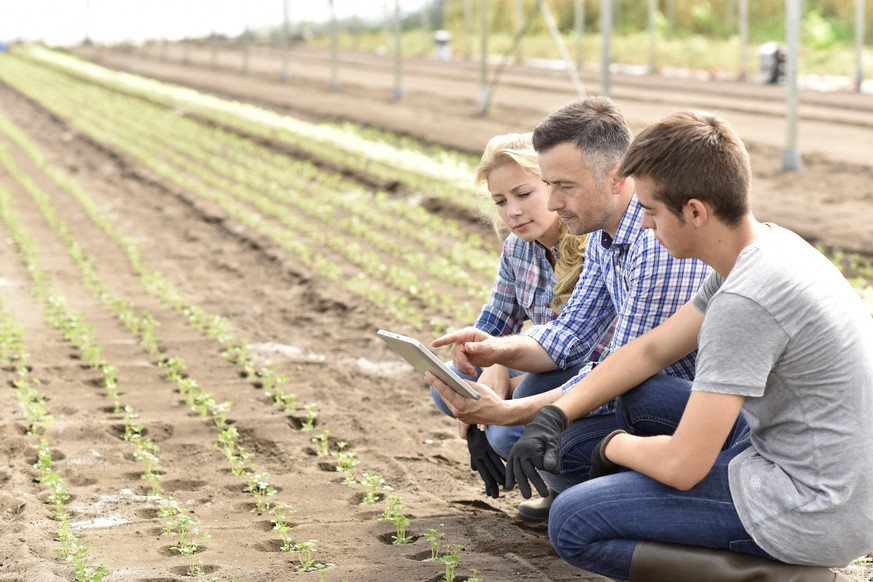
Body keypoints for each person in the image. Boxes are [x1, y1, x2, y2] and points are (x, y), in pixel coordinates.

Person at [505, 110, 873, 581]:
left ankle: (788, 577)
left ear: (695, 211)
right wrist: (556, 414)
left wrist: (612, 448)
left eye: (652, 211)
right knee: (641, 394)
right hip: (830, 472)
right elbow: (651, 350)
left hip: (814, 507)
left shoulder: (746, 300)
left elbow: (682, 467)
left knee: (574, 520)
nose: (642, 226)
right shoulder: (764, 249)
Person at [428, 96, 712, 521]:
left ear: (615, 177)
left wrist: (517, 412)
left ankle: (648, 500)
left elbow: (624, 370)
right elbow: (570, 334)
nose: (554, 202)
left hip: (684, 403)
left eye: (562, 186)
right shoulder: (603, 235)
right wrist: (496, 352)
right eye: (550, 185)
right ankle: (601, 490)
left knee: (547, 441)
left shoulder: (654, 241)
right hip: (634, 390)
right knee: (507, 418)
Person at [429, 132, 592, 500]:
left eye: (523, 194)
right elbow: (493, 323)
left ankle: (572, 494)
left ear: (551, 187)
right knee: (450, 381)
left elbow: (590, 349)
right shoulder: (518, 250)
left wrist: (502, 394)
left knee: (504, 424)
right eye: (500, 201)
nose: (512, 211)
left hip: (587, 373)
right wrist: (487, 366)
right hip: (541, 360)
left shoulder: (589, 245)